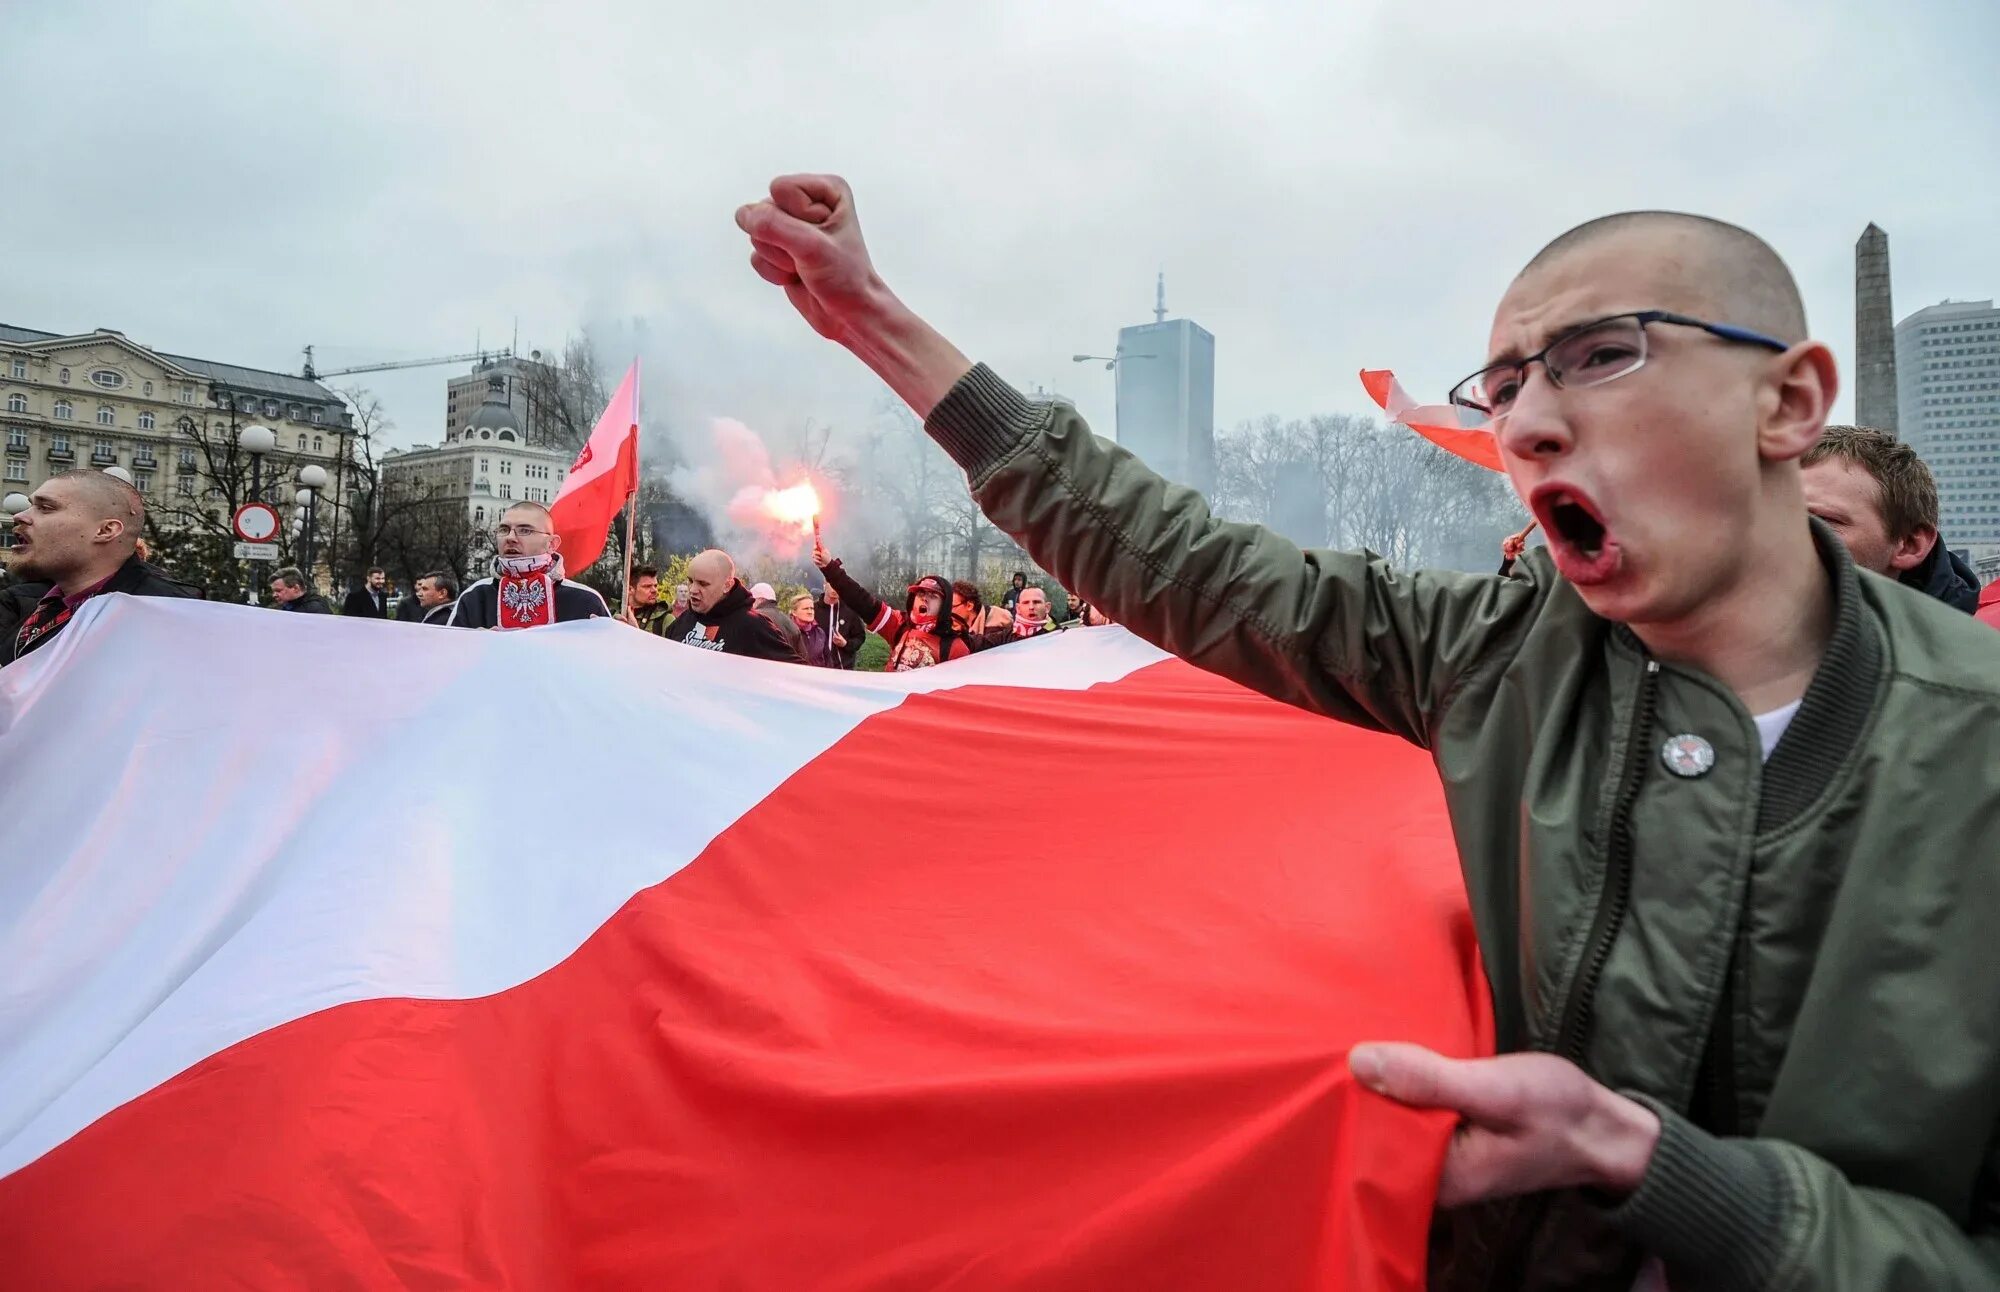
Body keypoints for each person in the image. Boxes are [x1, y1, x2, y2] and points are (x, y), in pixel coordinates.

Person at [740, 176, 2000, 1287]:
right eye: (1501, 385)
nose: (1524, 423)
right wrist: (872, 319)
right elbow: (1182, 560)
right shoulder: (1500, 659)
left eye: (1599, 354)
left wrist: (1671, 1178)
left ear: (1786, 402)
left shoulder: (1972, 753)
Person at [3, 469, 199, 665]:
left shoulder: (167, 615)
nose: (20, 516)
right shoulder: (40, 603)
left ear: (105, 530)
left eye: (46, 508)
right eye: (30, 506)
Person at [1799, 424, 1982, 613]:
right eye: (1781, 518)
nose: (1786, 536)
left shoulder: (1974, 641)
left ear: (1909, 545)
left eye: (1823, 520)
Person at [813, 538, 971, 671]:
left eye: (933, 596)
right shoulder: (899, 625)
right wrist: (829, 567)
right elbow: (860, 600)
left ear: (944, 604)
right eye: (921, 594)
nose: (924, 599)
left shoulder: (954, 647)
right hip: (894, 704)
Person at [448, 501, 610, 629]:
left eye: (525, 530)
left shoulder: (585, 600)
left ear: (552, 544)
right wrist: (474, 646)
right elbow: (448, 659)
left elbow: (608, 662)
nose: (510, 537)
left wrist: (627, 642)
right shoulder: (475, 597)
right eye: (504, 529)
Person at [663, 549, 807, 662]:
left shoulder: (753, 626)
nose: (693, 590)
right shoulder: (683, 621)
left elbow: (796, 672)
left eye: (703, 584)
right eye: (690, 581)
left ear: (727, 585)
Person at [811, 573, 867, 669]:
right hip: (818, 668)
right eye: (833, 585)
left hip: (843, 669)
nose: (835, 590)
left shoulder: (851, 610)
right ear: (825, 584)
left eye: (839, 587)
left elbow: (860, 637)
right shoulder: (813, 609)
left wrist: (846, 644)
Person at [622, 565, 676, 635]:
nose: (654, 590)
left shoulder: (665, 620)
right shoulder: (613, 614)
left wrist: (635, 632)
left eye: (655, 586)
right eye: (647, 586)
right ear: (630, 589)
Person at [789, 592, 837, 667]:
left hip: (817, 677)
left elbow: (828, 660)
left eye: (812, 608)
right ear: (794, 612)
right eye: (806, 609)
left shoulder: (820, 633)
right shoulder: (787, 632)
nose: (810, 612)